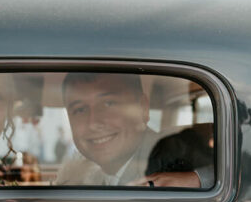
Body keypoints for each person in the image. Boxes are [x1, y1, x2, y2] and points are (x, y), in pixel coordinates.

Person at [55, 72, 213, 188]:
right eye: (80, 110)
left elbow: (234, 178)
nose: (93, 122)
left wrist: (197, 180)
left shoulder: (176, 155)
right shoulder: (87, 174)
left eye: (109, 103)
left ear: (143, 109)